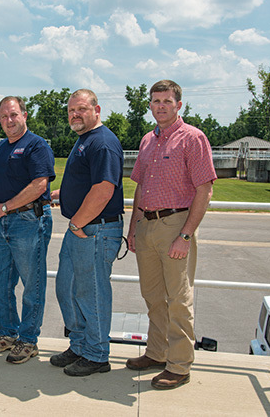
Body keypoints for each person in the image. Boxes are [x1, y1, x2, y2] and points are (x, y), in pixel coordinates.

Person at [125, 79, 216, 390]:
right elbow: (140, 187)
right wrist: (134, 227)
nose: (160, 106)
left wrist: (186, 235)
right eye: (156, 101)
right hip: (146, 225)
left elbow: (205, 190)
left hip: (176, 224)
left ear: (179, 104)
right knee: (152, 295)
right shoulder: (147, 141)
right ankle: (157, 352)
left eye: (167, 101)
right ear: (149, 105)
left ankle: (179, 365)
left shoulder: (193, 138)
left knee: (178, 298)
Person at [49, 89, 125, 377]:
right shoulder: (85, 140)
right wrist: (64, 194)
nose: (75, 115)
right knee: (68, 288)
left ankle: (96, 354)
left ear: (97, 110)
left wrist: (76, 223)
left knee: (91, 293)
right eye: (71, 110)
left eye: (81, 109)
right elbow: (87, 182)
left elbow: (104, 189)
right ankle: (80, 345)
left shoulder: (102, 142)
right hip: (83, 228)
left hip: (93, 230)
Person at [0, 96, 55, 364]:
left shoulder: (37, 145)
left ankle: (28, 340)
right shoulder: (1, 148)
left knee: (32, 285)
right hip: (2, 223)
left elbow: (39, 185)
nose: (9, 120)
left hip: (29, 221)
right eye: (4, 116)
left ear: (24, 115)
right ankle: (7, 333)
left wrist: (5, 207)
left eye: (13, 114)